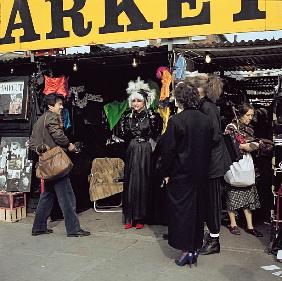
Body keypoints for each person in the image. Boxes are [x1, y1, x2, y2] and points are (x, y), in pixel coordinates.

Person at [160, 82, 212, 267]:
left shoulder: (176, 120)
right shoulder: (205, 120)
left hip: (181, 176)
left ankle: (186, 251)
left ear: (180, 99)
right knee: (197, 213)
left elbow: (168, 151)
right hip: (200, 175)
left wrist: (165, 173)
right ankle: (194, 249)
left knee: (181, 214)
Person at [29, 93, 90, 237]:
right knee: (68, 198)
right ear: (51, 106)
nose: (62, 106)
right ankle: (74, 229)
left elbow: (32, 143)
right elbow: (58, 135)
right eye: (59, 104)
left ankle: (38, 228)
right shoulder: (51, 116)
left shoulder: (40, 120)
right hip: (56, 164)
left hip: (46, 164)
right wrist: (69, 145)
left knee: (47, 196)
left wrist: (42, 150)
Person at [118, 77, 162, 229]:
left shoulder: (152, 117)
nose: (136, 104)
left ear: (145, 102)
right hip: (132, 150)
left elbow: (156, 133)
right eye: (134, 101)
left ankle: (141, 217)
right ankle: (130, 216)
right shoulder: (126, 118)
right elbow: (123, 135)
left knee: (143, 183)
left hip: (145, 151)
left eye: (139, 101)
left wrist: (151, 117)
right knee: (131, 183)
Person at [188, 75, 225, 255]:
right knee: (207, 201)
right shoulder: (204, 106)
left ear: (198, 89)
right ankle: (210, 237)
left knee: (212, 203)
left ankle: (214, 240)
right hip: (207, 162)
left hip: (211, 164)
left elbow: (214, 136)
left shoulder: (207, 107)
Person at [224, 103, 262, 237]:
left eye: (252, 115)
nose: (250, 118)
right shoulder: (231, 127)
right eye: (248, 115)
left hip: (246, 164)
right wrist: (253, 145)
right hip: (235, 164)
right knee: (232, 193)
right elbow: (232, 144)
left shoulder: (249, 129)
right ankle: (233, 223)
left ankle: (249, 226)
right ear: (240, 114)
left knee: (248, 193)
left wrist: (253, 145)